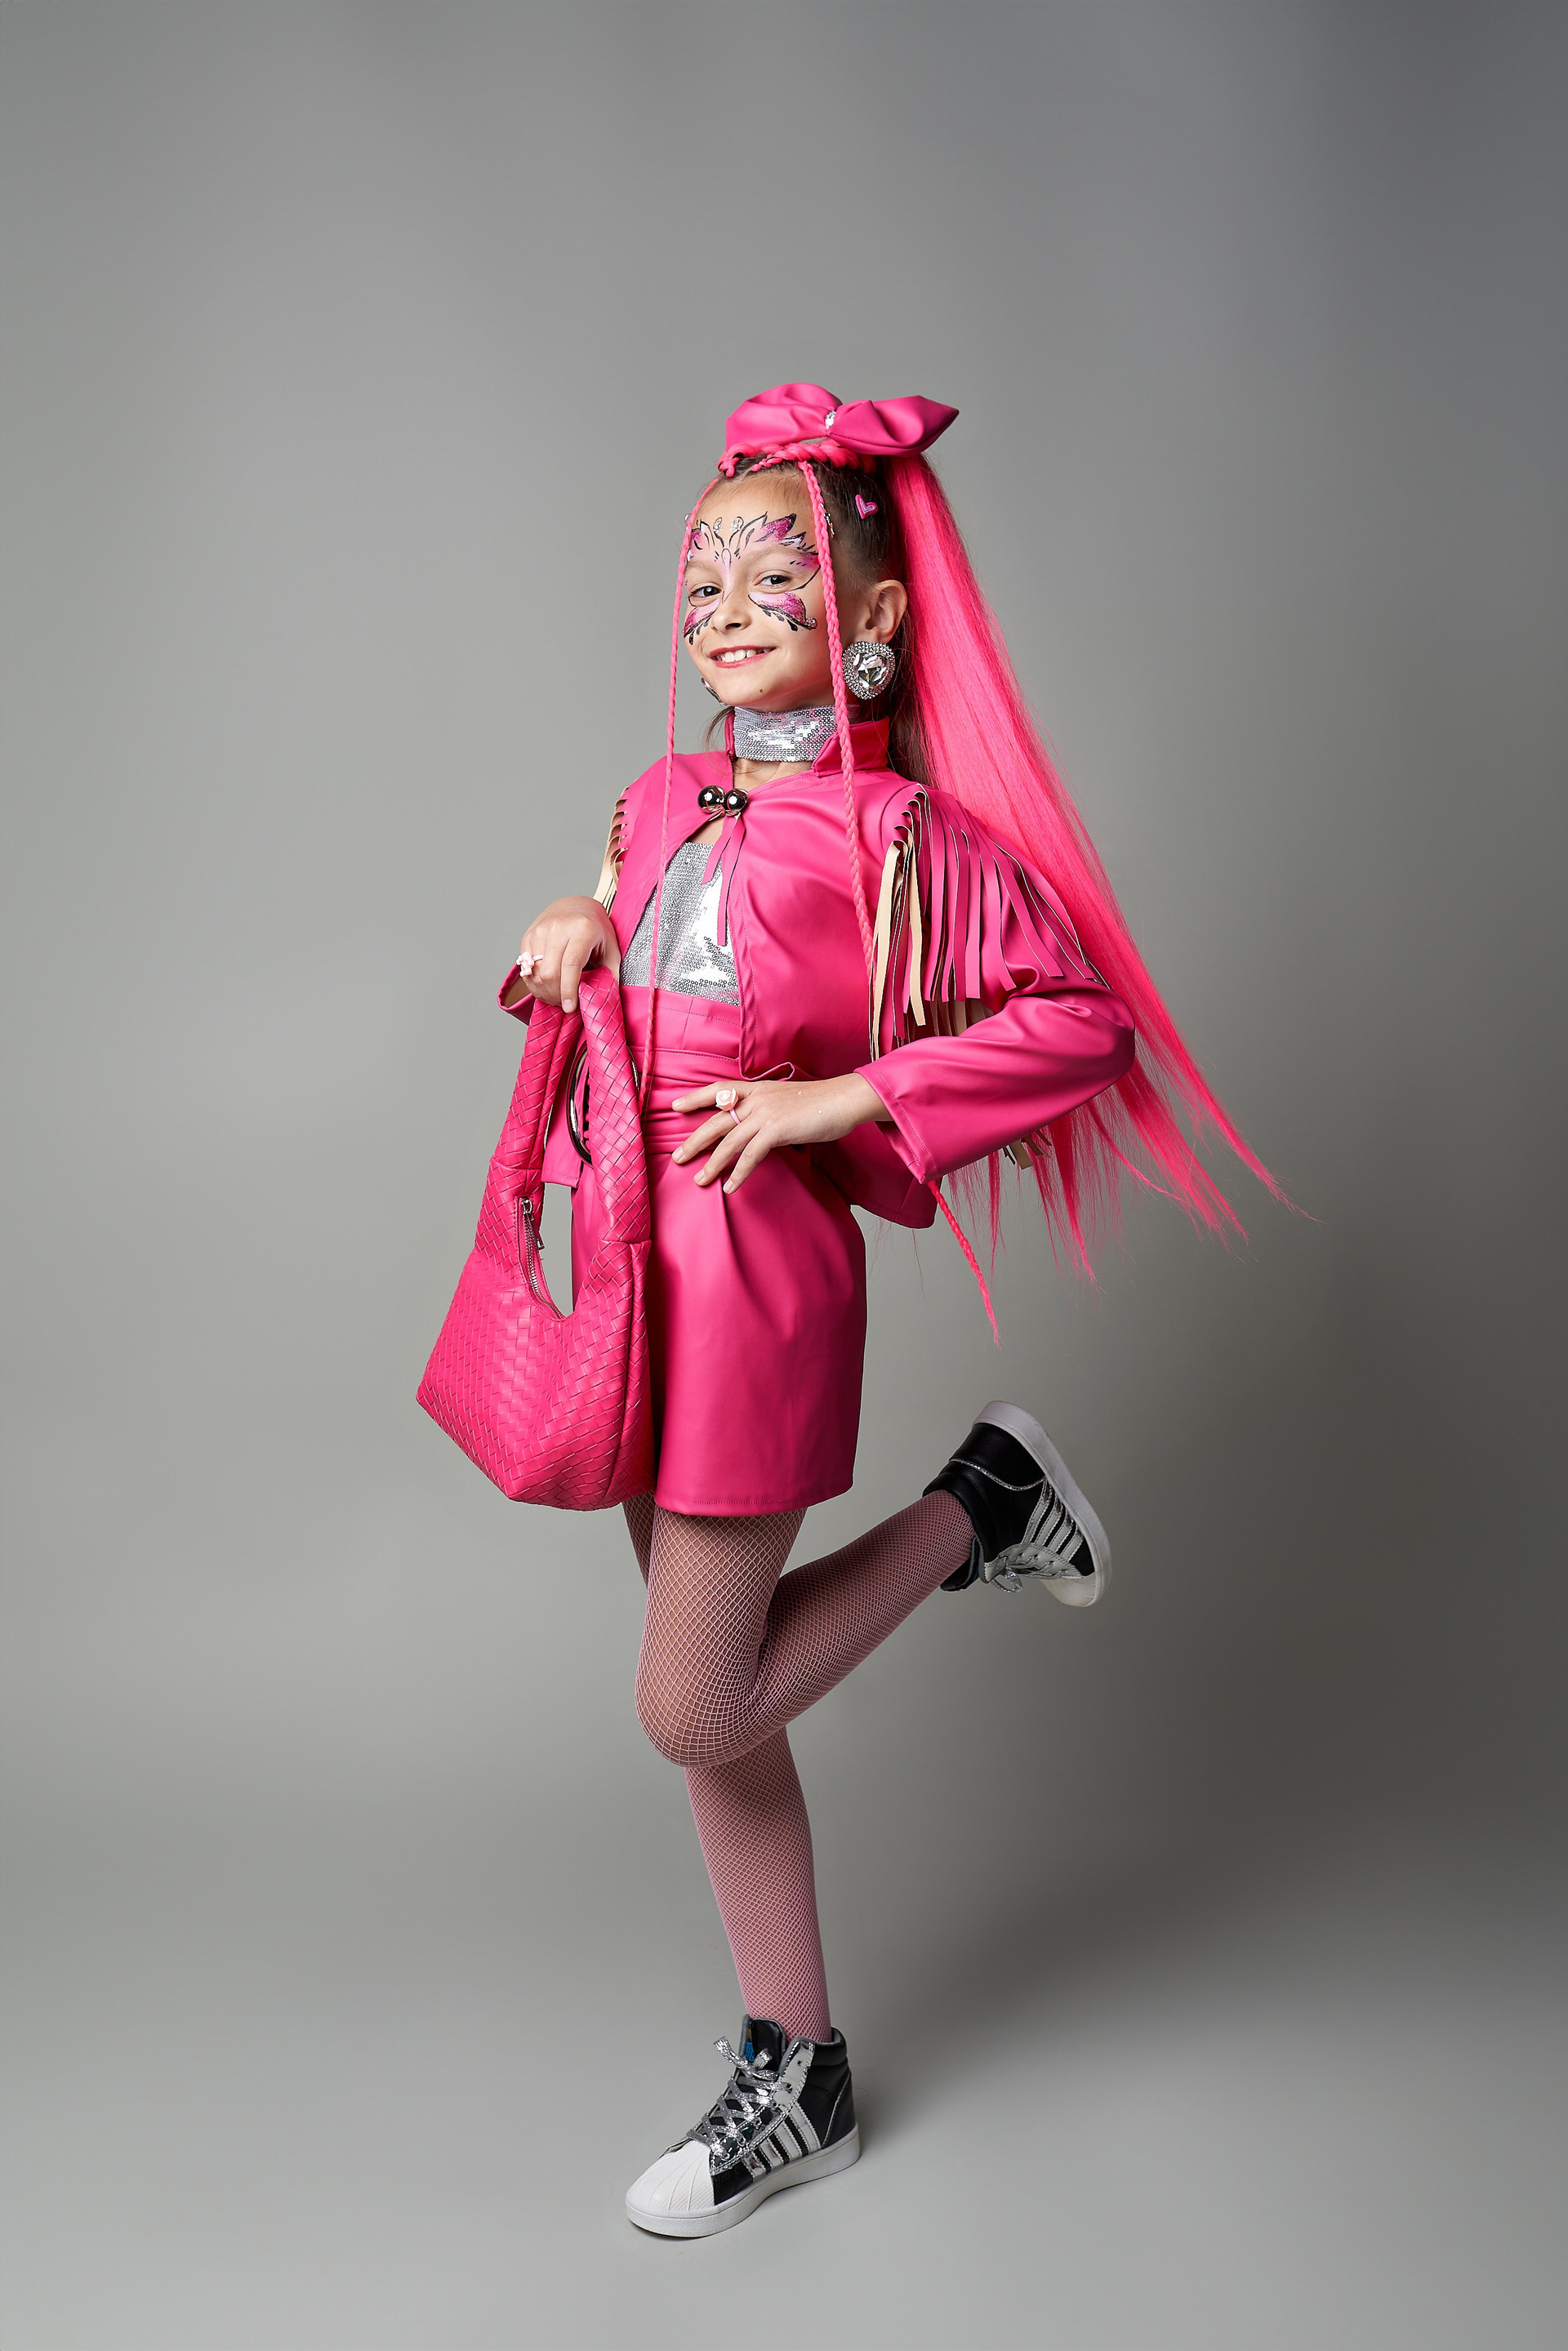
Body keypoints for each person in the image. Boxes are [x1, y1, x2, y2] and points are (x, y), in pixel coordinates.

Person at [503, 385, 1274, 2237]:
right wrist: (578, 924)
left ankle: (979, 1506)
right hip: (632, 1277)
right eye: (703, 576)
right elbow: (629, 926)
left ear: (869, 617)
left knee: (692, 1701)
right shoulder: (659, 796)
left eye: (771, 574)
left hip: (756, 1288)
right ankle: (804, 2070)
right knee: (729, 1715)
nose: (724, 608)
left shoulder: (909, 840)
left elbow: (1079, 1021)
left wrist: (846, 1098)